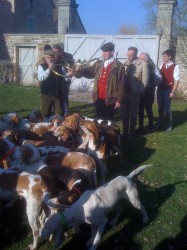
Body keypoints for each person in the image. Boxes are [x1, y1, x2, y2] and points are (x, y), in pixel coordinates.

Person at [74, 42, 124, 120]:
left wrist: (119, 100)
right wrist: (81, 70)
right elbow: (90, 74)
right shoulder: (98, 64)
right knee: (98, 120)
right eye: (103, 51)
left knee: (108, 121)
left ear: (112, 52)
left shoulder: (119, 66)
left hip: (110, 98)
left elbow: (121, 84)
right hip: (98, 98)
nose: (104, 53)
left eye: (106, 51)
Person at [121, 47, 149, 140]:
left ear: (136, 54)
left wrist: (140, 91)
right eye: (128, 55)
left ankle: (131, 132)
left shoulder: (142, 63)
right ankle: (125, 131)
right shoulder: (126, 63)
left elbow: (145, 79)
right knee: (124, 113)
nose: (129, 57)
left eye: (131, 55)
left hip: (134, 93)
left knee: (133, 114)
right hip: (125, 92)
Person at [157, 49, 180, 131]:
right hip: (160, 89)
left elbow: (176, 80)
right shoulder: (162, 65)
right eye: (163, 56)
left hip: (168, 90)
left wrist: (173, 91)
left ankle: (169, 125)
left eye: (164, 56)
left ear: (169, 57)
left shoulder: (175, 66)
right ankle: (161, 122)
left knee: (167, 108)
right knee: (160, 108)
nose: (163, 58)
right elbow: (158, 77)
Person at [37, 49, 61, 117]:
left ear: (54, 57)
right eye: (48, 57)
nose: (50, 59)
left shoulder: (58, 66)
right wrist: (49, 69)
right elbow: (40, 78)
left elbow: (64, 77)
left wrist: (70, 74)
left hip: (57, 94)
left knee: (58, 114)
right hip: (46, 94)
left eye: (52, 57)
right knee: (45, 114)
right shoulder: (41, 66)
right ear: (44, 57)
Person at [52, 43, 74, 118]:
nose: (55, 53)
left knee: (65, 97)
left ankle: (65, 113)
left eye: (57, 52)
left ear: (61, 50)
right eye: (54, 51)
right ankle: (55, 112)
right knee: (55, 97)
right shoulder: (53, 57)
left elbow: (72, 66)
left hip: (65, 80)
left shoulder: (68, 56)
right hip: (56, 80)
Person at [138, 52, 156, 131]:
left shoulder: (151, 66)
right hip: (142, 91)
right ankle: (141, 126)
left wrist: (152, 87)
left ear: (146, 59)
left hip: (148, 91)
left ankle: (151, 125)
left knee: (149, 109)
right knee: (141, 109)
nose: (140, 60)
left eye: (141, 59)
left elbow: (158, 78)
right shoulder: (141, 66)